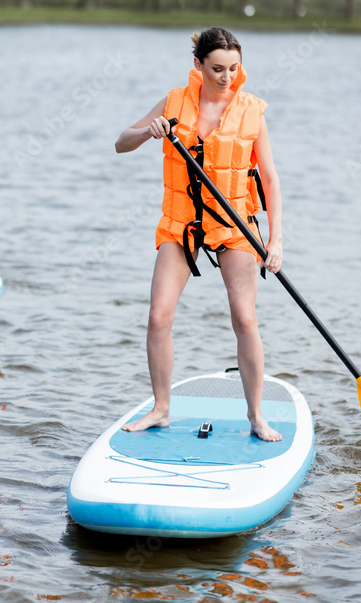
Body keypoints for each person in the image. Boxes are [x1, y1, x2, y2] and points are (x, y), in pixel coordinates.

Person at [114, 27, 283, 441]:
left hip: (234, 224)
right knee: (158, 317)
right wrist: (147, 131)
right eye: (218, 68)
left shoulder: (251, 111)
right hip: (183, 224)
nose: (227, 77)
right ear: (198, 66)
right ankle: (161, 409)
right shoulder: (173, 102)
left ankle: (257, 416)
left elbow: (271, 180)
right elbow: (121, 143)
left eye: (234, 68)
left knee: (244, 318)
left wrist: (276, 240)